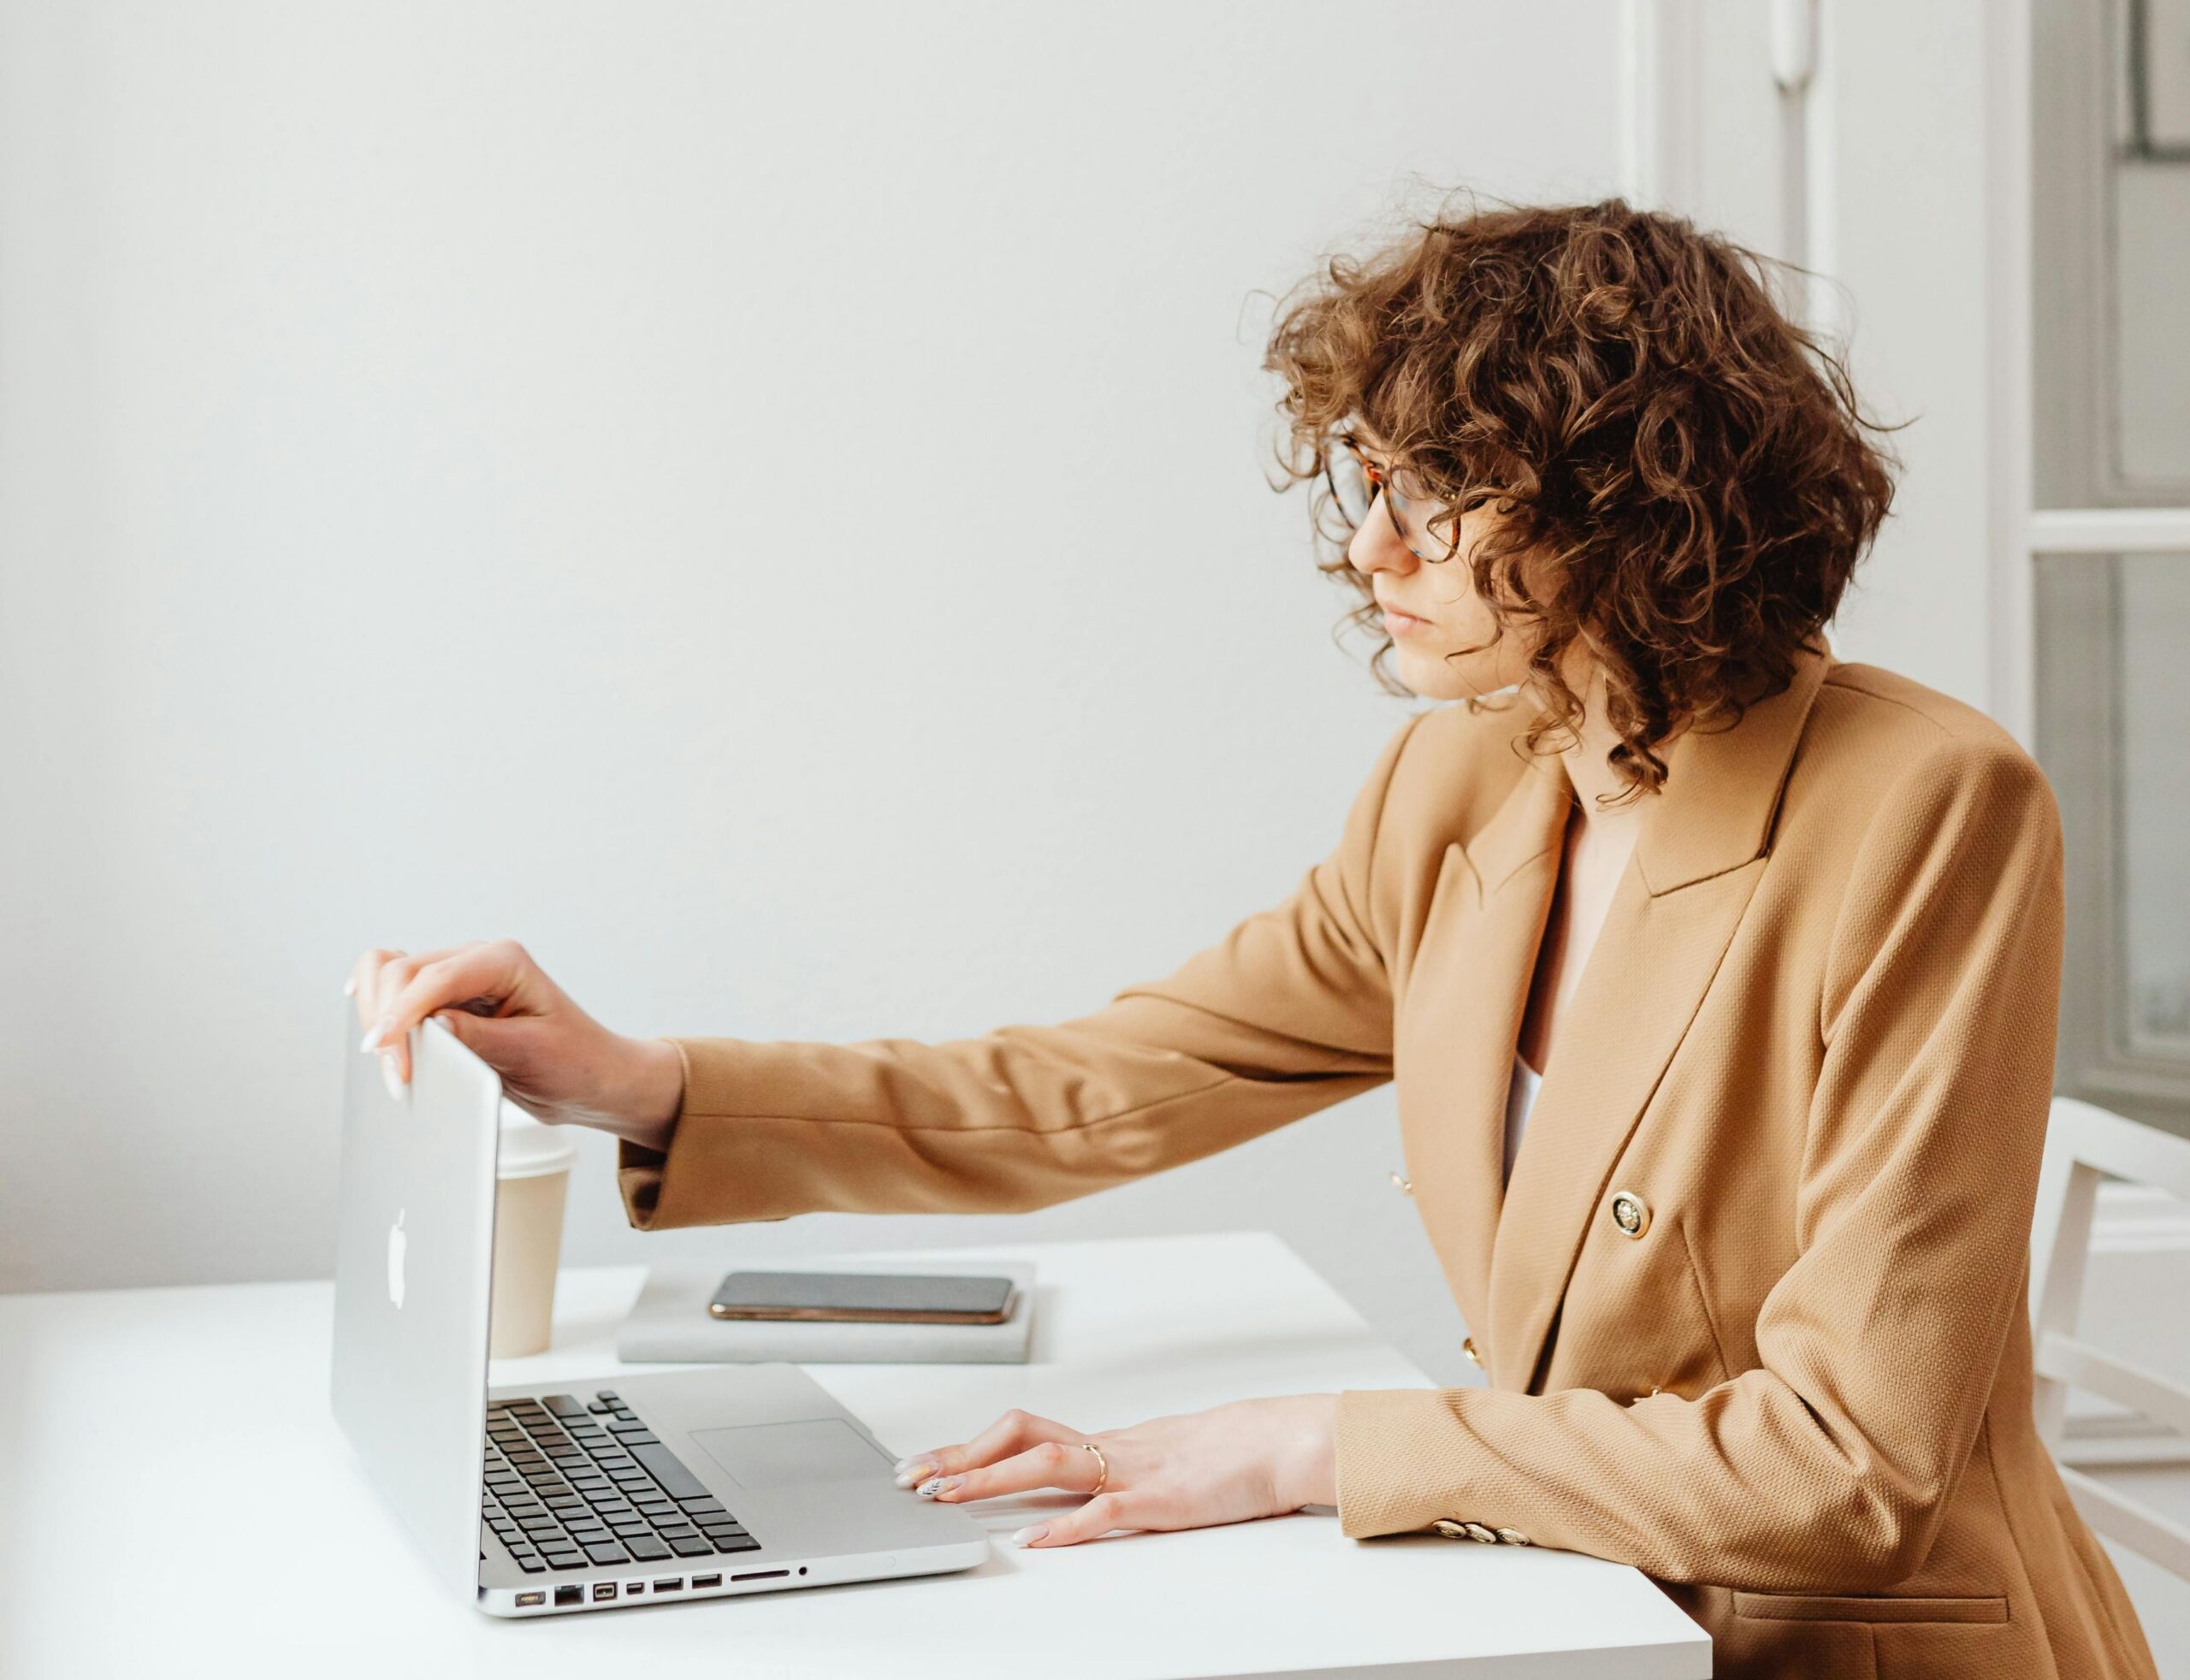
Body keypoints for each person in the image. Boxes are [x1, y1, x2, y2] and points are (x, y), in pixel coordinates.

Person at [349, 200, 2157, 1679]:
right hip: (1552, 1610)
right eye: (1362, 481)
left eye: (1432, 492)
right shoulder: (1458, 790)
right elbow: (1099, 1085)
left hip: (1841, 1651)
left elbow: (1847, 1464)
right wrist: (639, 1082)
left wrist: (1298, 1443)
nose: (1369, 548)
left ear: (1624, 496)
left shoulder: (1927, 805)